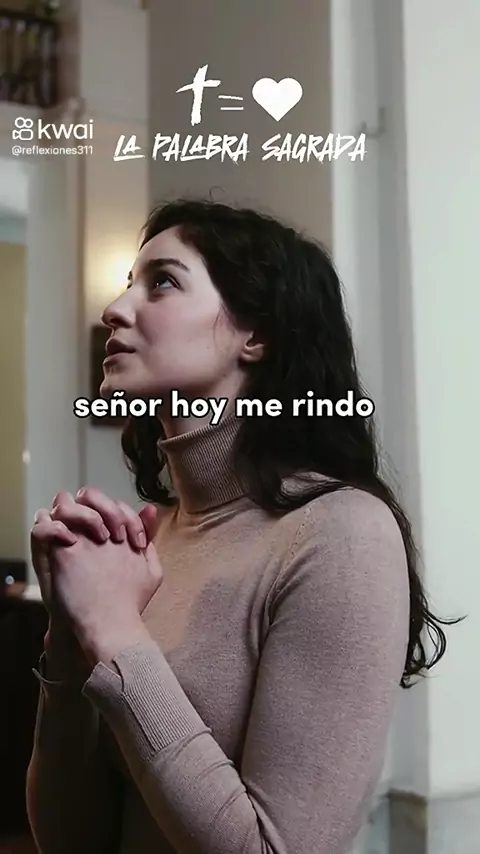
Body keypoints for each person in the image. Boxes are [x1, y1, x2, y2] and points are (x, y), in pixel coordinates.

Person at [26, 198, 451, 854]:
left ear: (256, 334)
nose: (114, 309)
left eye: (162, 282)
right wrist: (66, 634)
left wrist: (114, 629)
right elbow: (72, 841)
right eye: (128, 283)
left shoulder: (341, 536)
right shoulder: (149, 540)